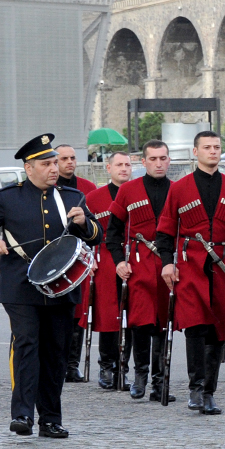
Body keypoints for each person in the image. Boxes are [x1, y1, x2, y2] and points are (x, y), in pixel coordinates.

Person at [0, 134, 102, 438]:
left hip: (62, 287)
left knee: (56, 353)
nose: (54, 168)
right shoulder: (7, 198)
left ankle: (51, 419)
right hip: (21, 286)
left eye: (55, 162)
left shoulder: (71, 197)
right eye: (46, 164)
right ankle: (23, 414)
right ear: (29, 169)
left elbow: (97, 236)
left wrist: (84, 223)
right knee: (27, 344)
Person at [155, 131, 225, 415]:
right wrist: (167, 262)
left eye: (217, 147)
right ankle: (195, 388)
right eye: (207, 147)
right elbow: (166, 231)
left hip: (223, 263)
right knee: (195, 325)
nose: (213, 152)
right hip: (190, 264)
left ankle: (209, 391)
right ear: (195, 152)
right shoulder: (179, 188)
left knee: (218, 327)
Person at [106, 141, 175, 402]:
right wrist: (118, 262)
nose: (159, 163)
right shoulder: (128, 191)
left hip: (168, 265)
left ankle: (159, 382)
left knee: (163, 324)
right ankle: (140, 375)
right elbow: (112, 233)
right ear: (143, 162)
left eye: (163, 158)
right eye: (153, 159)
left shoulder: (177, 190)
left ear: (169, 161)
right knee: (140, 322)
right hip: (138, 265)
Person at [85, 152, 133, 389]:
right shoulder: (94, 198)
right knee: (109, 317)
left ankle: (124, 366)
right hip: (105, 260)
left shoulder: (137, 193)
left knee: (134, 315)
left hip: (134, 257)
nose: (124, 169)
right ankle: (107, 365)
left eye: (127, 165)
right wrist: (88, 258)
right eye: (119, 165)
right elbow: (83, 233)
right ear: (108, 168)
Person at [56, 143, 98, 383]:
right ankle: (56, 363)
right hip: (55, 253)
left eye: (73, 158)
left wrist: (92, 257)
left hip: (81, 255)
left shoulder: (88, 188)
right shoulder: (49, 187)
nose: (70, 162)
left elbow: (96, 226)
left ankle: (72, 365)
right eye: (64, 159)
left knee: (79, 311)